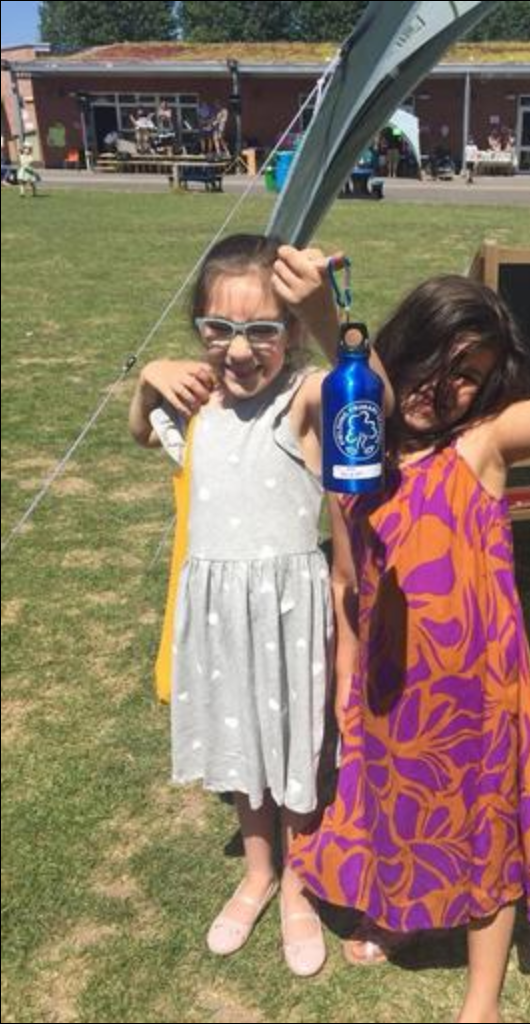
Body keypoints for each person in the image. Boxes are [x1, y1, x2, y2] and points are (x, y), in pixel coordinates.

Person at [288, 194, 530, 1022]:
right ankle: (396, 916)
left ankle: (482, 996)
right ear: (400, 347)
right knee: (388, 806)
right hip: (388, 685)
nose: (445, 387)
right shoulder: (358, 444)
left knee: (486, 834)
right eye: (434, 360)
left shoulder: (483, 444)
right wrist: (346, 680)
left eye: (469, 373)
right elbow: (349, 576)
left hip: (477, 693)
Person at [127, 235, 351, 976]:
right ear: (199, 330)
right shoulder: (199, 406)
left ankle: (300, 884)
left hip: (287, 617)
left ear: (290, 334)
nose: (240, 350)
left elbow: (368, 387)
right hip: (219, 618)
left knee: (294, 753)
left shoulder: (308, 398)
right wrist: (147, 380)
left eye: (264, 330)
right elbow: (140, 428)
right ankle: (258, 871)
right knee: (242, 751)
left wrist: (326, 311)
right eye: (218, 330)